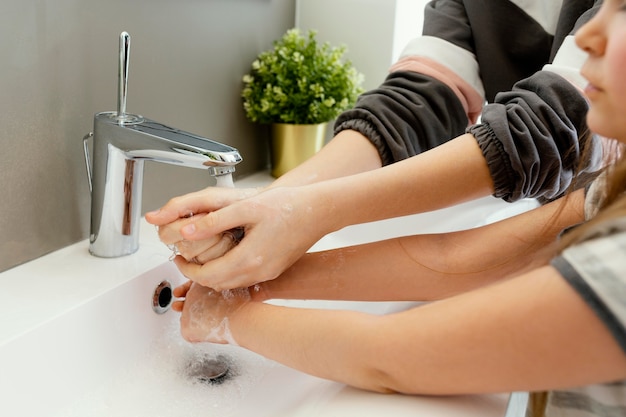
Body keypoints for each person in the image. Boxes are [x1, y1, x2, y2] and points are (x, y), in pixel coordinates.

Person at [170, 2, 625, 415]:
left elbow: (390, 358)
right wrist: (254, 277)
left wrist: (234, 316)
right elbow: (462, 260)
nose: (586, 35)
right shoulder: (611, 196)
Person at [147, 0, 604, 291]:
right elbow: (417, 102)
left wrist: (309, 212)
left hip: (595, 254)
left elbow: (554, 123)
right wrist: (266, 207)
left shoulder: (607, 23)